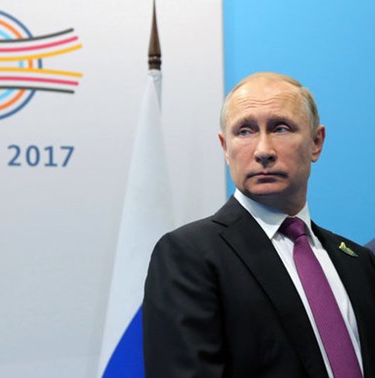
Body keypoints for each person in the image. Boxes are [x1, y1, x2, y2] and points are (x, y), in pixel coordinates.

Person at [143, 72, 375, 378]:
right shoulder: (189, 256)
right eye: (244, 131)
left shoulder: (359, 262)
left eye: (280, 128)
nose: (263, 150)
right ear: (225, 147)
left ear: (316, 142)